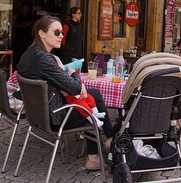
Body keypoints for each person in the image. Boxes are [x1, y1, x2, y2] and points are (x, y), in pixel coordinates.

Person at [16, 15, 114, 171]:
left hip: (37, 116)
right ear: (42, 34)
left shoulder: (28, 55)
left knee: (92, 93)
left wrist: (61, 68)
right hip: (56, 118)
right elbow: (74, 88)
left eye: (62, 32)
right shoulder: (45, 60)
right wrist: (71, 71)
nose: (61, 36)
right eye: (56, 32)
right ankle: (100, 150)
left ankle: (109, 138)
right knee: (89, 102)